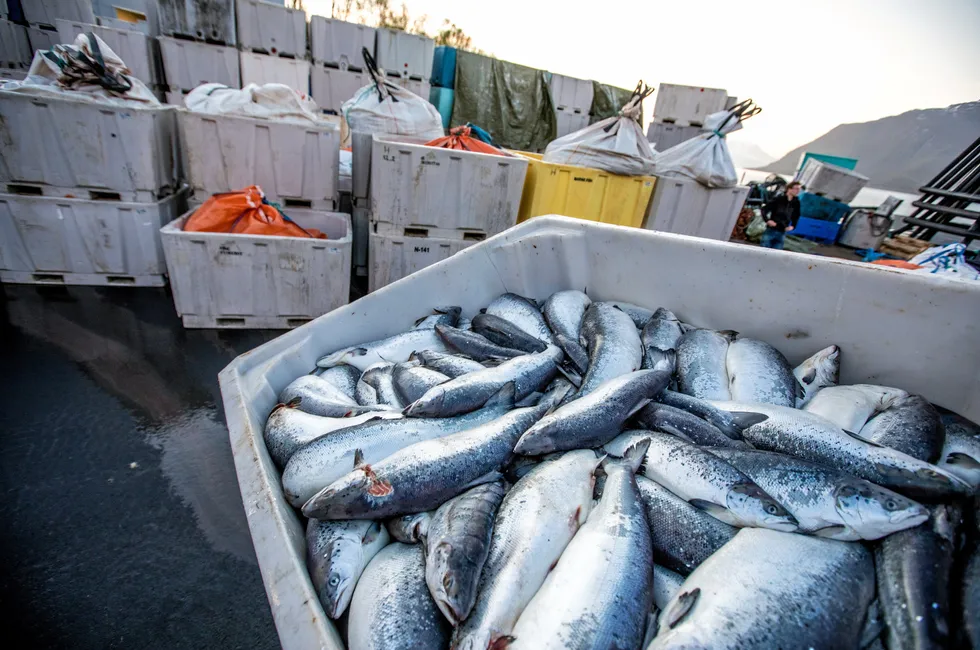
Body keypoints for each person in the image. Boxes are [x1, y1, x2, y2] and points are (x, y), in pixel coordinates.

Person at [760, 181, 802, 249]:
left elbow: (796, 215)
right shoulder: (779, 199)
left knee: (777, 253)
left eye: (799, 189)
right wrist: (767, 220)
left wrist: (793, 225)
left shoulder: (796, 202)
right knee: (764, 250)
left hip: (783, 231)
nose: (798, 191)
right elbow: (764, 209)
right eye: (796, 189)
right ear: (789, 189)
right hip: (772, 229)